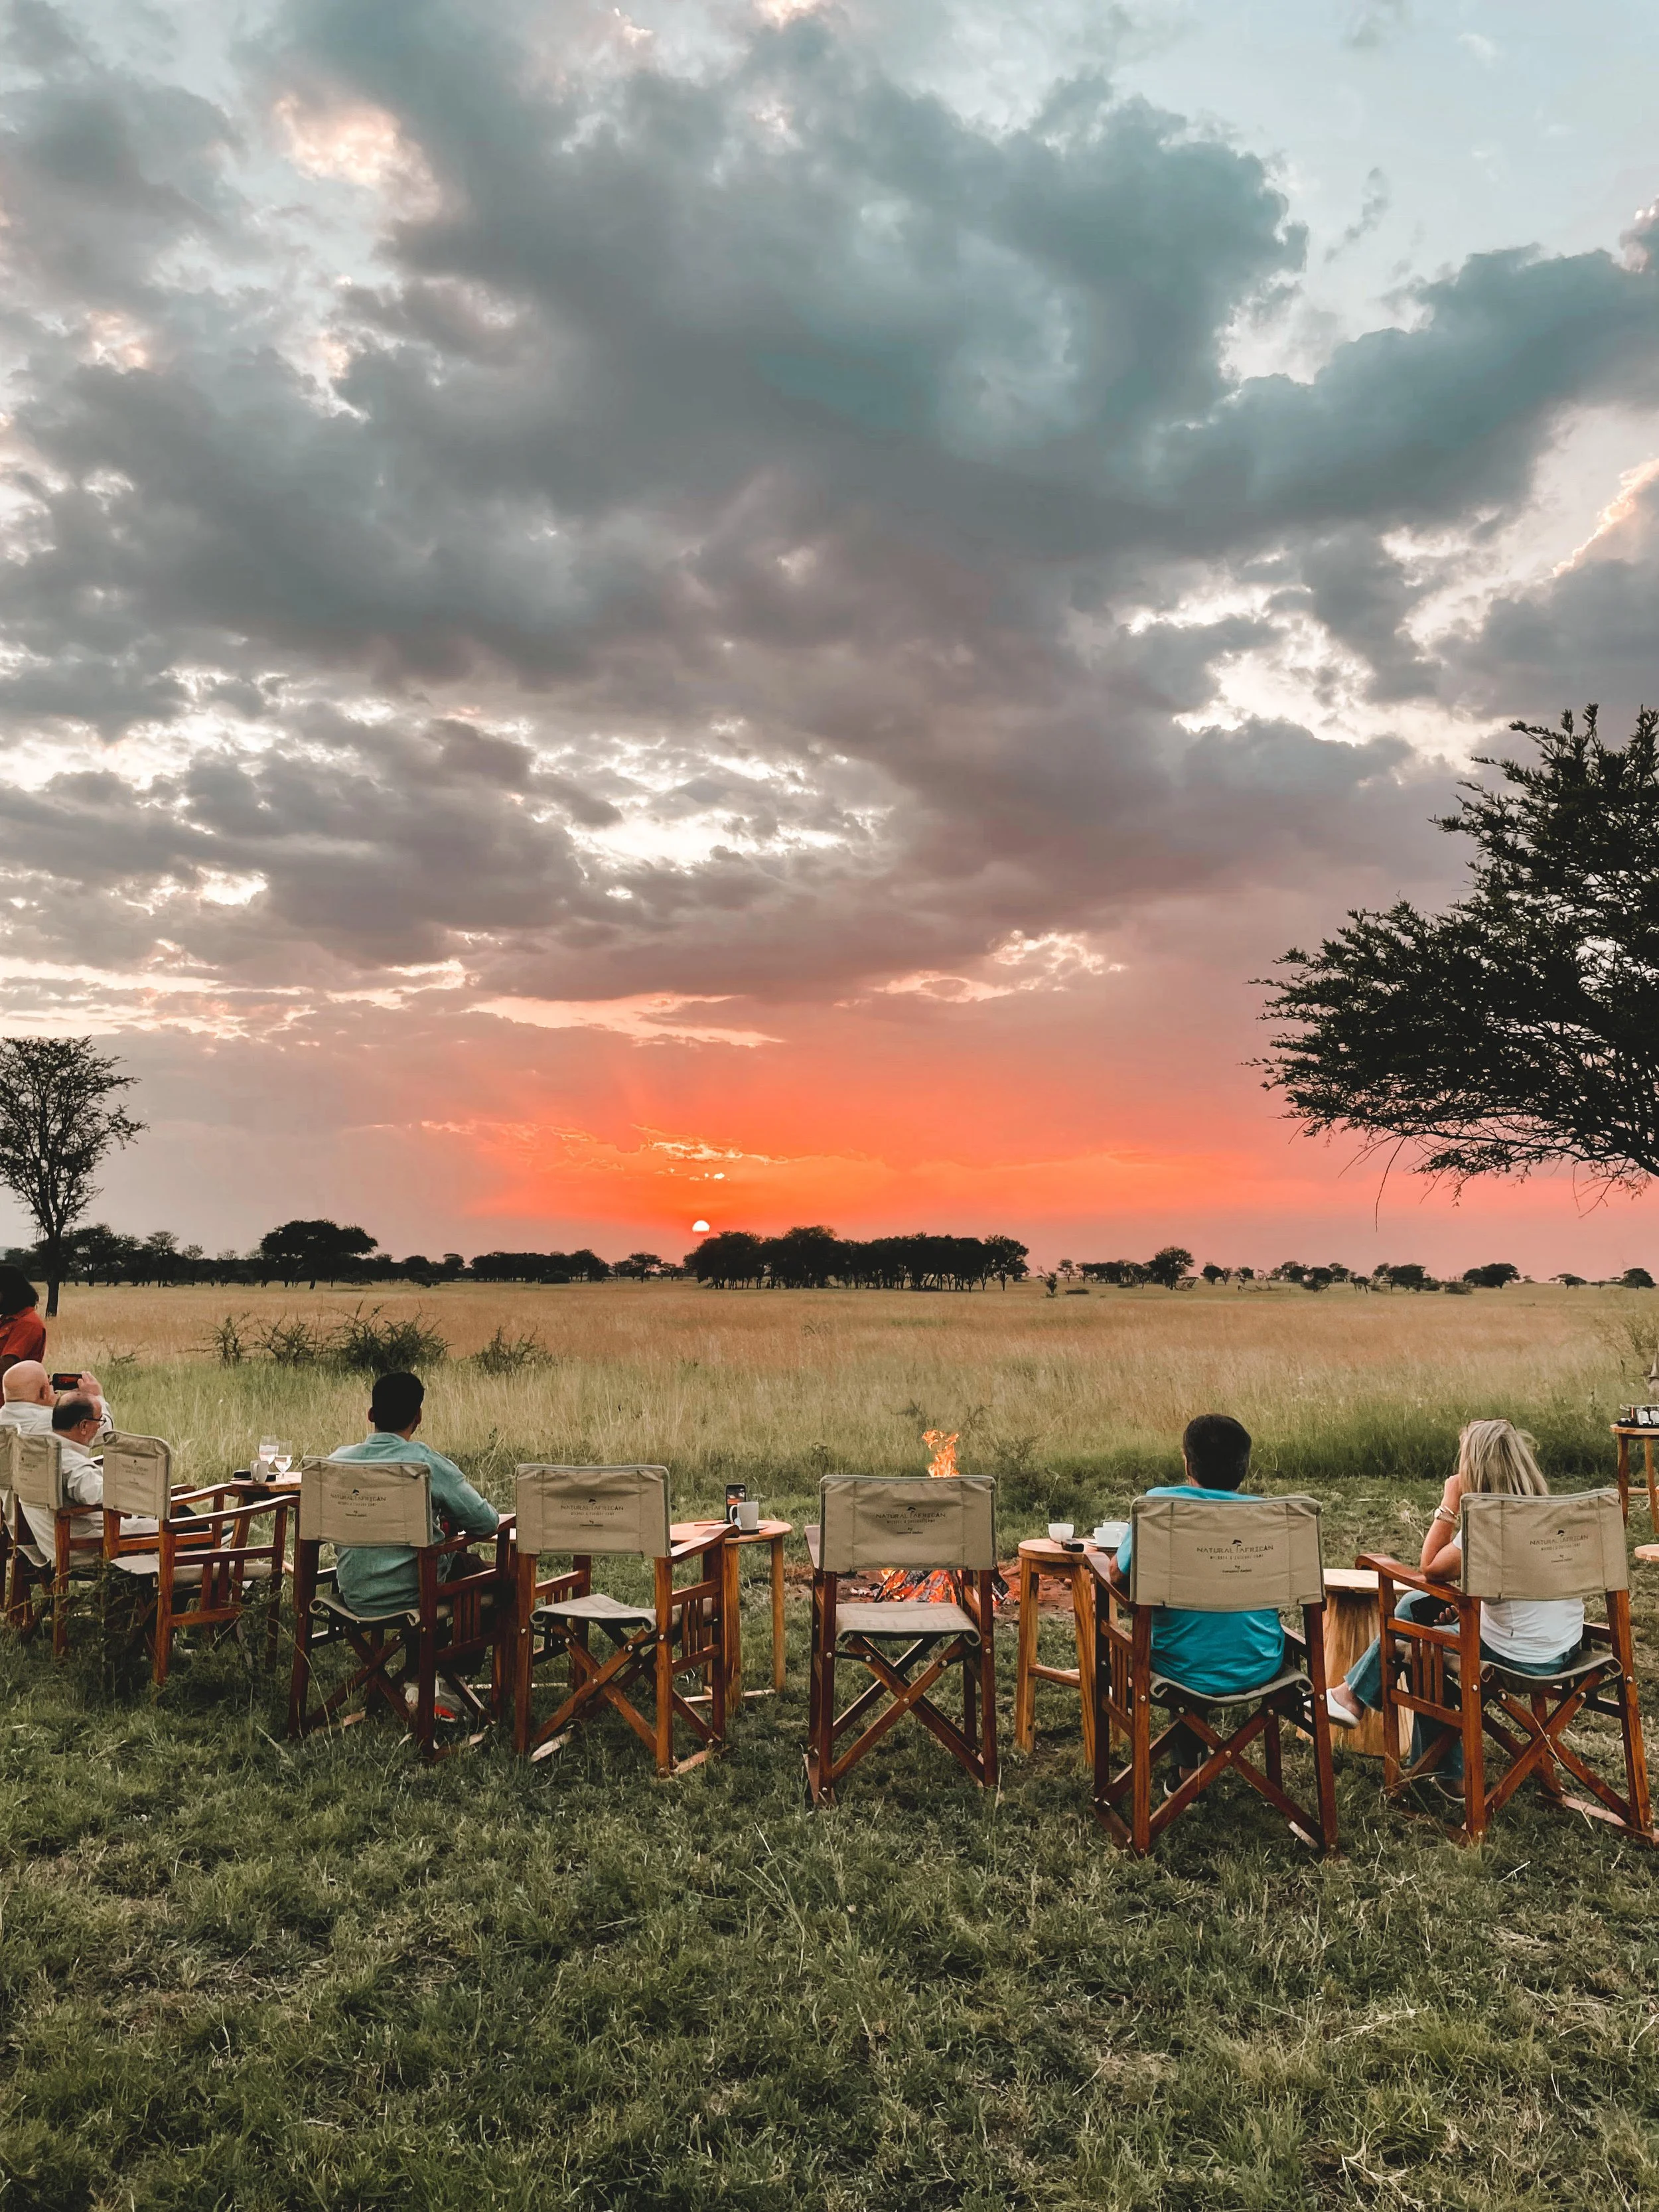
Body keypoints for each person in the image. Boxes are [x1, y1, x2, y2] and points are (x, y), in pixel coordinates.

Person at [1327, 1418, 1583, 1799]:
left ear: (1474, 1470)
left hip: (1516, 1656)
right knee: (1415, 1607)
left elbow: (1430, 1569)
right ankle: (1373, 1712)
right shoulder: (1556, 1514)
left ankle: (1437, 1762)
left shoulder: (1489, 1524)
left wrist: (1450, 1502)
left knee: (1416, 1643)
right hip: (1565, 1646)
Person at [1108, 1413, 1287, 1786]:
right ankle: (1189, 1771)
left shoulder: (1160, 1507)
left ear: (1187, 1463)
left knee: (1185, 1640)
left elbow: (1116, 1575)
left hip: (1181, 1668)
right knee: (1202, 1630)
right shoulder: (1270, 1515)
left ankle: (1186, 1773)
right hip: (1261, 1664)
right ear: (1244, 1468)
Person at [327, 1370, 500, 1617]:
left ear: (371, 1414)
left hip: (356, 1594)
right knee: (502, 1576)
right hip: (421, 1592)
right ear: (418, 1417)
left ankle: (434, 1649)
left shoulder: (337, 1463)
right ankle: (452, 1654)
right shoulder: (424, 1463)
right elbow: (486, 1522)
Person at [15, 1392, 156, 1555]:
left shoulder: (41, 1454)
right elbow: (103, 1495)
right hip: (91, 1544)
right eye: (99, 1421)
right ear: (84, 1426)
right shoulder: (72, 1466)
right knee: (179, 1523)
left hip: (56, 1544)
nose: (99, 1427)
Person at [0, 1361, 114, 1444]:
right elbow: (105, 1432)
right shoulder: (52, 1420)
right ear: (44, 1392)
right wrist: (95, 1397)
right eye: (49, 1382)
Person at [0, 1268, 45, 1380]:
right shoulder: (7, 1319)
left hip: (10, 1397)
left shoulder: (28, 1324)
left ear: (8, 1293)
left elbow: (6, 1366)